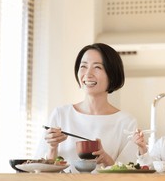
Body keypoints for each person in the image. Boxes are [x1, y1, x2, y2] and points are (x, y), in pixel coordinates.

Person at [36, 43, 138, 172]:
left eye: (97, 67)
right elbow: (38, 173)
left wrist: (106, 159)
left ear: (112, 74)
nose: (88, 74)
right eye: (83, 66)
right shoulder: (61, 114)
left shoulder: (126, 122)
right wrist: (52, 148)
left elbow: (131, 175)